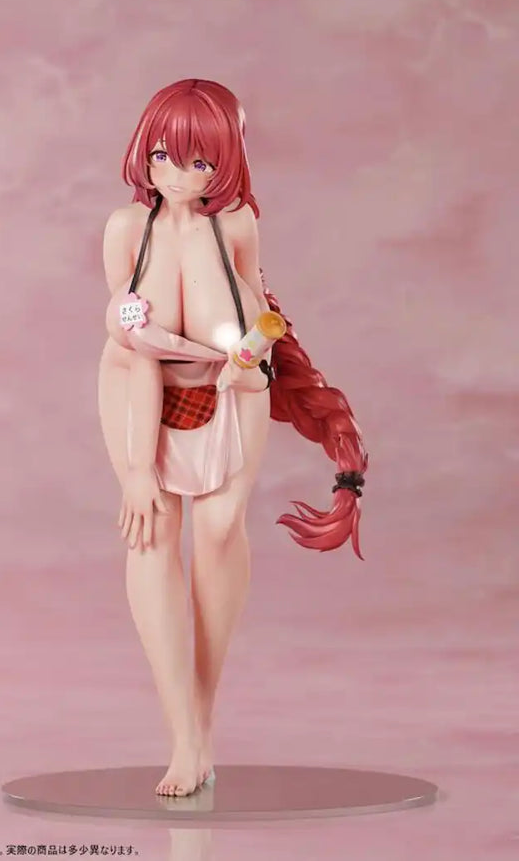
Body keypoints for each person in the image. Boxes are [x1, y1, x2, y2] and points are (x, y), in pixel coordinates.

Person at [98, 79, 368, 798]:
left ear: (225, 164)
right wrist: (136, 467)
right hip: (138, 389)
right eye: (162, 155)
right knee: (151, 530)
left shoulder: (238, 224)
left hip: (230, 387)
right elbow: (129, 344)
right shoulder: (127, 229)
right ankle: (182, 737)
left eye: (199, 162)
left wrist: (250, 357)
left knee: (219, 531)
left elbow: (257, 313)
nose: (175, 175)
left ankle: (203, 721)